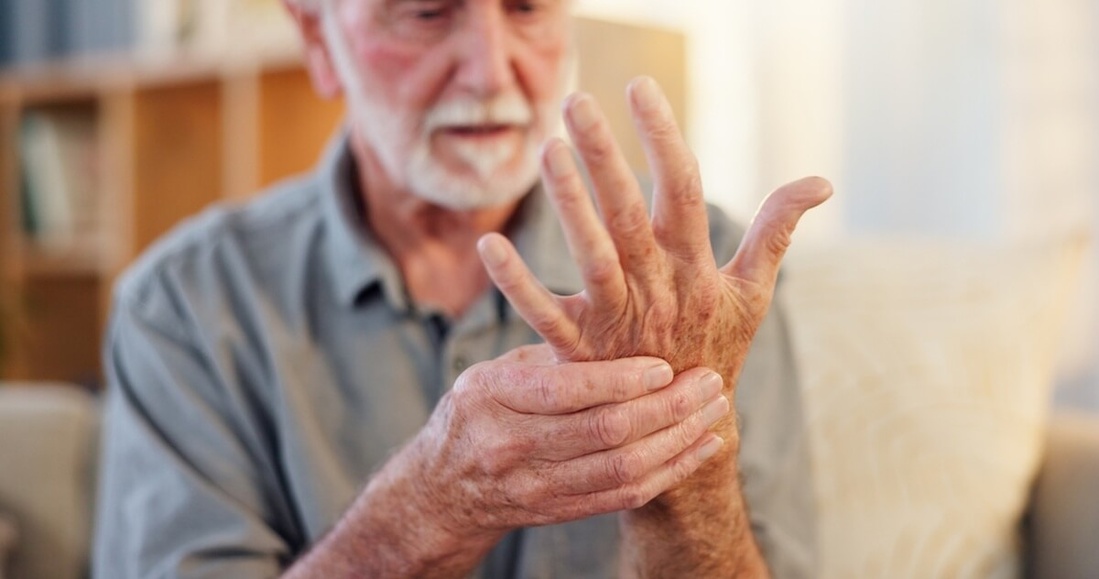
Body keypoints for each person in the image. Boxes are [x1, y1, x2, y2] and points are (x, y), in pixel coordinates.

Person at [92, 0, 831, 576]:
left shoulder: (704, 276)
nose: (489, 70)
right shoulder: (184, 303)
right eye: (425, 12)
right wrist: (427, 507)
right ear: (318, 37)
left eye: (526, 9)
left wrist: (687, 479)